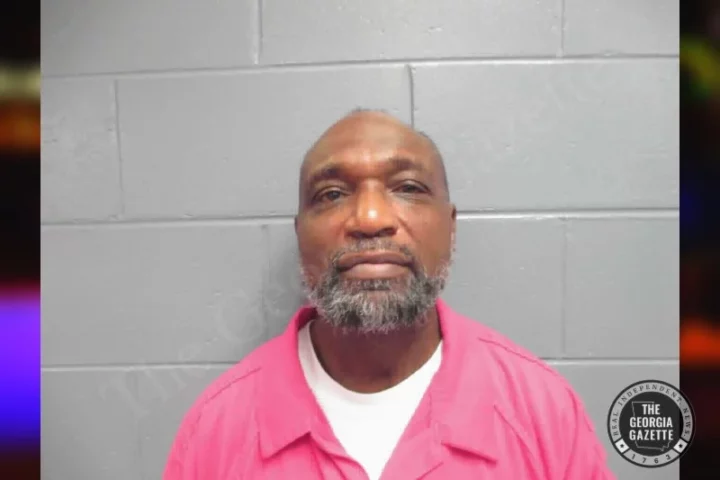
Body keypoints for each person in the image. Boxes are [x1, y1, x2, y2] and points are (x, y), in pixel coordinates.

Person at [163, 109, 616, 479]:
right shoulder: (217, 428)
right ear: (300, 234)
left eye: (408, 188)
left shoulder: (542, 410)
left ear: (450, 228)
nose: (370, 218)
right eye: (332, 194)